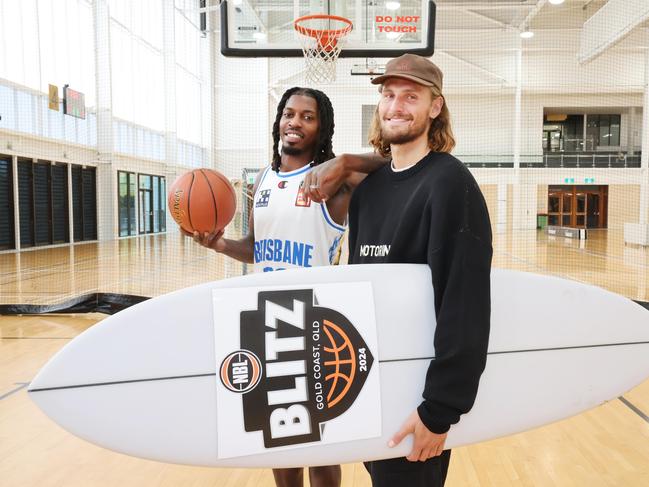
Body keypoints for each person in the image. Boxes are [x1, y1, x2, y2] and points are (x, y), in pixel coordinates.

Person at [304, 54, 493, 487]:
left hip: (418, 398)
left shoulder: (450, 184)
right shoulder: (369, 191)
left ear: (435, 107)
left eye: (411, 96)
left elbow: (463, 304)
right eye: (388, 95)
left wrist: (440, 410)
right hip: (371, 385)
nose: (396, 106)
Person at [187, 86, 379, 487]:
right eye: (289, 113)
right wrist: (219, 243)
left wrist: (344, 161)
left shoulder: (334, 183)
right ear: (278, 120)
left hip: (317, 325)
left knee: (322, 448)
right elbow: (255, 249)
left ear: (321, 128)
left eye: (307, 116)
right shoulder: (263, 179)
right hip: (266, 323)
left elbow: (393, 164)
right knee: (280, 442)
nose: (295, 122)